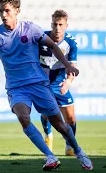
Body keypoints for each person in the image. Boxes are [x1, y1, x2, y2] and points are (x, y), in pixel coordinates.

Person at [0, 0, 93, 171]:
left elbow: (54, 46)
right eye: (1, 11)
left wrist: (67, 66)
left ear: (17, 11)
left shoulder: (31, 29)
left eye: (7, 11)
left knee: (60, 125)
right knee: (23, 117)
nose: (3, 15)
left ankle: (79, 151)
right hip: (16, 87)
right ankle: (50, 156)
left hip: (39, 84)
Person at [39, 10, 78, 156]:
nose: (57, 28)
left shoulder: (71, 42)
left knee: (70, 117)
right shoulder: (40, 38)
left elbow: (73, 66)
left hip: (60, 83)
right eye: (55, 24)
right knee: (46, 115)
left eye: (61, 24)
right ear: (51, 24)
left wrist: (68, 82)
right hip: (42, 84)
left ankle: (69, 144)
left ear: (66, 26)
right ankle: (48, 136)